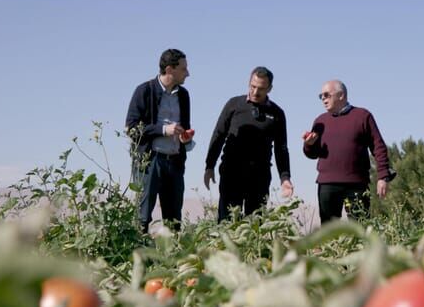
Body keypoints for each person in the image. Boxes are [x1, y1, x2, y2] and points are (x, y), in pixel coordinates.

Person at [204, 66, 294, 222]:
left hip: (260, 176)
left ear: (269, 88)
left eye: (261, 88)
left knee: (255, 224)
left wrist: (285, 177)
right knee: (227, 222)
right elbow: (218, 135)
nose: (255, 92)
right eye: (252, 86)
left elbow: (281, 148)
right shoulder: (234, 105)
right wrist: (209, 166)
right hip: (231, 173)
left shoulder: (277, 113)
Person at [303, 79, 395, 224]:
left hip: (357, 184)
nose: (323, 99)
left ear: (341, 95)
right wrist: (309, 145)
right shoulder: (320, 121)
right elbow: (312, 154)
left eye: (327, 95)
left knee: (360, 229)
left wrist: (383, 176)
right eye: (321, 96)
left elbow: (378, 147)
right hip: (327, 185)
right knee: (328, 232)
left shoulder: (363, 116)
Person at [125, 48, 194, 232]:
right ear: (170, 69)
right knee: (142, 217)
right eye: (183, 69)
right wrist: (164, 130)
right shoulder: (144, 90)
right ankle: (140, 257)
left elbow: (183, 128)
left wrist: (185, 137)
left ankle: (171, 260)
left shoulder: (184, 95)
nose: (187, 73)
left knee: (174, 222)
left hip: (175, 162)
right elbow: (131, 128)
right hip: (150, 162)